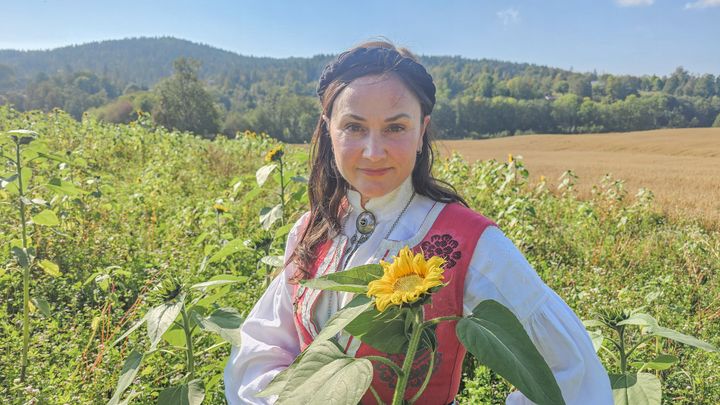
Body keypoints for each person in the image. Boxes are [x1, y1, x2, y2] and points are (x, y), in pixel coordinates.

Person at [224, 40, 612, 404]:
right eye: (354, 127)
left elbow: (571, 372)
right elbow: (262, 345)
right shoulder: (313, 228)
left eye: (395, 127)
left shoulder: (468, 241)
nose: (373, 152)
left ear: (422, 128)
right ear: (328, 127)